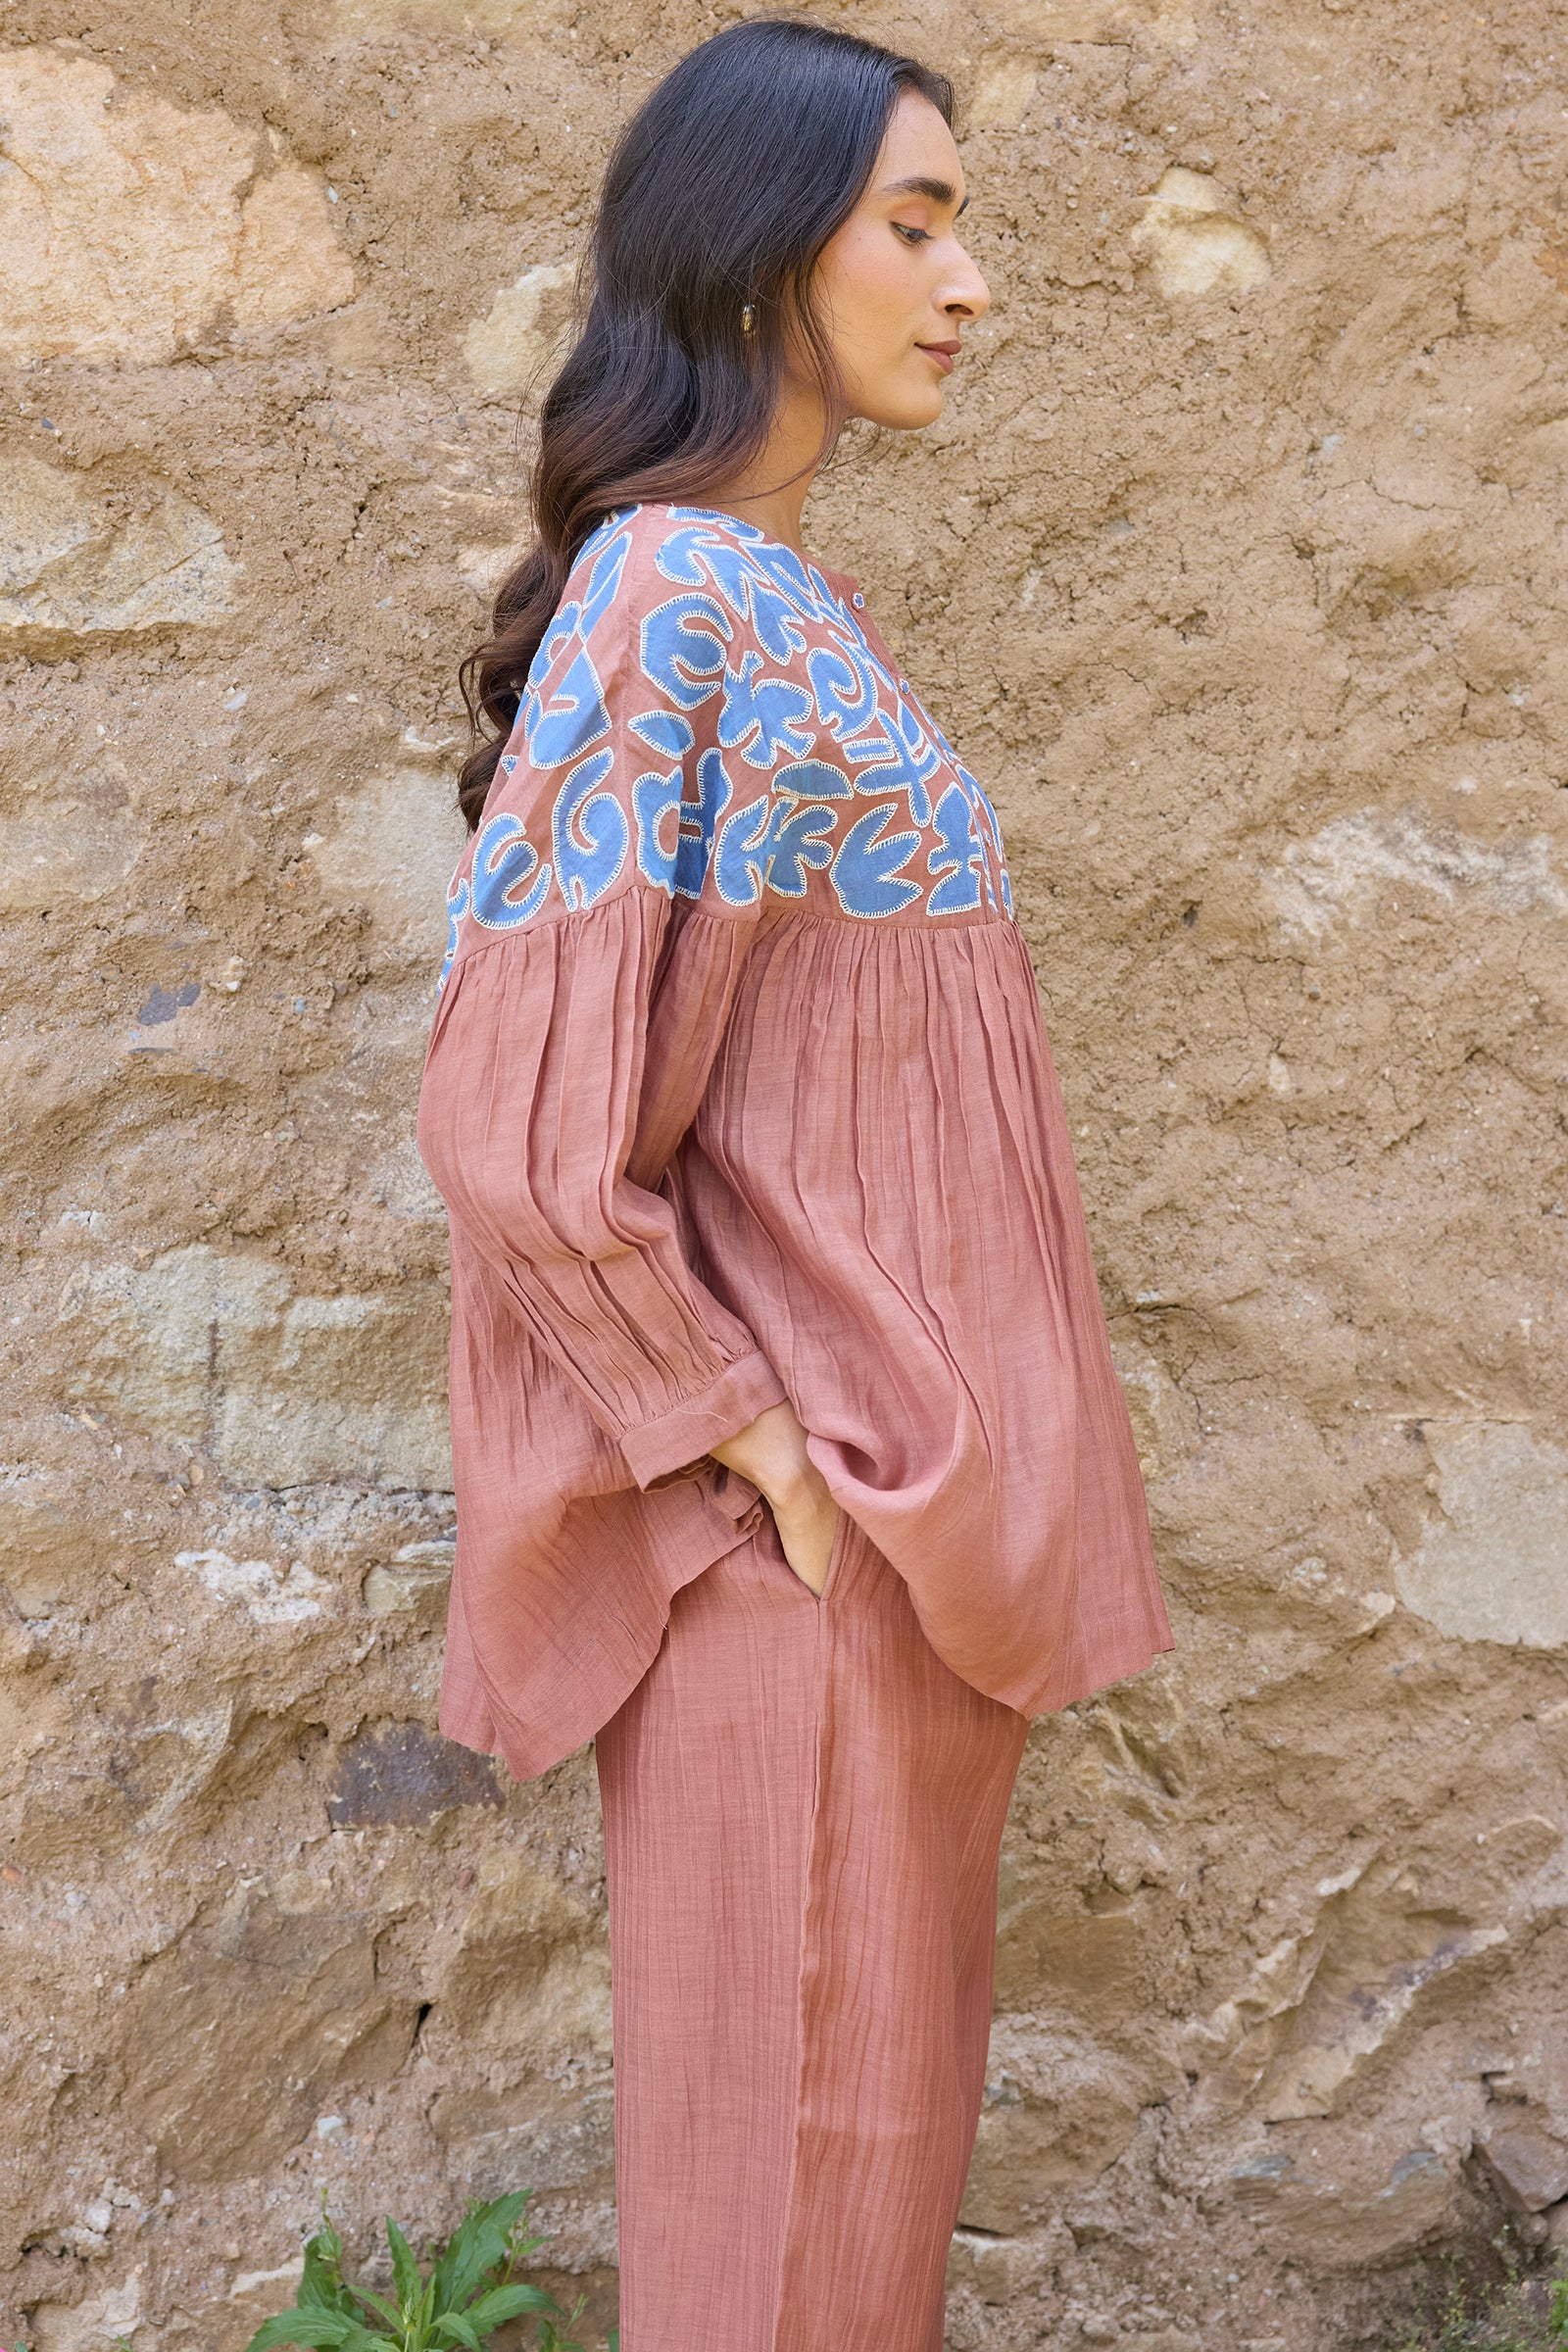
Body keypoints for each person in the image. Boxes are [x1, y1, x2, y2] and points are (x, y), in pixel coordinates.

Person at [417, 18, 1173, 2349]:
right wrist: (751, 1439)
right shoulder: (675, 596)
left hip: (895, 1551)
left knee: (852, 2208)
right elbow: (516, 1121)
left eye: (958, 226)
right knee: (784, 2244)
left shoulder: (776, 602)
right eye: (910, 225)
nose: (967, 283)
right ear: (756, 253)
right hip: (807, 1548)